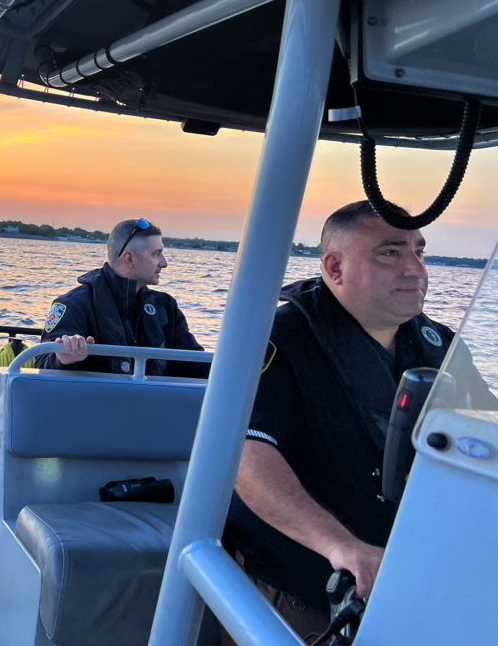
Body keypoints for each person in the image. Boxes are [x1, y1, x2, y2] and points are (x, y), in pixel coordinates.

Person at [225, 201, 460, 643]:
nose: (416, 269)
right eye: (390, 253)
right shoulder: (276, 339)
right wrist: (341, 547)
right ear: (335, 267)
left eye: (420, 251)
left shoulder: (439, 345)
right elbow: (245, 453)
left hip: (416, 583)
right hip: (306, 589)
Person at [37, 218, 207, 378]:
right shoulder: (74, 305)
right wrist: (64, 359)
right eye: (156, 254)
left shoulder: (166, 307)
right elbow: (41, 368)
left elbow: (195, 365)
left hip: (156, 406)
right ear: (129, 258)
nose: (164, 262)